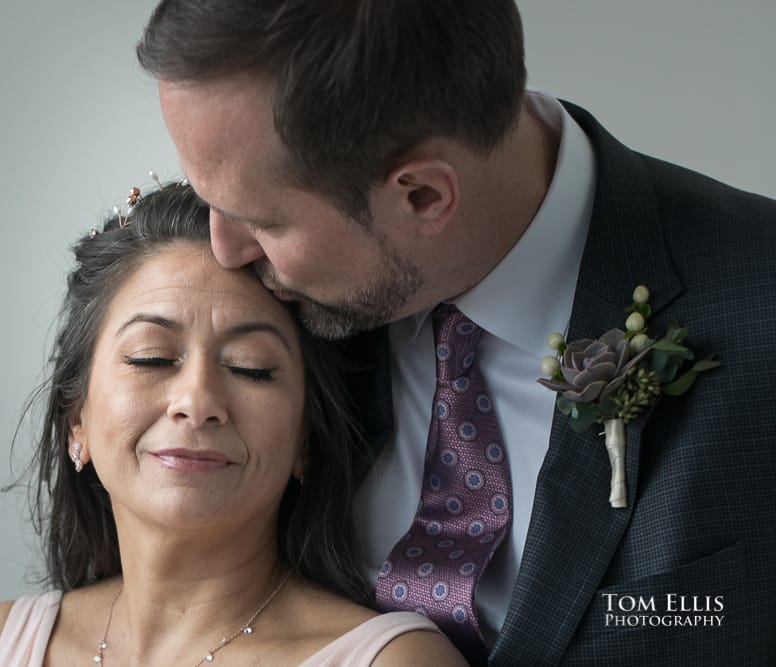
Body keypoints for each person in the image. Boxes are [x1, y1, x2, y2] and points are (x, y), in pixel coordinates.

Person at [136, 1, 776, 665]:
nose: (223, 248)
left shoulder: (762, 305)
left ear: (423, 196)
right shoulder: (257, 314)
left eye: (260, 220)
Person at [0, 183, 465, 666]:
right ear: (75, 417)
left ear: (306, 435)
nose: (197, 401)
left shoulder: (392, 661)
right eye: (151, 358)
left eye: (250, 368)